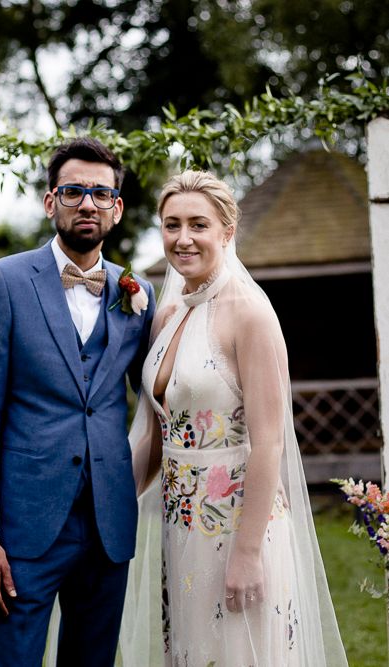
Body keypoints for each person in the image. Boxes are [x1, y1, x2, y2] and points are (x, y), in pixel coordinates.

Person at [122, 170, 348, 666]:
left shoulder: (250, 315)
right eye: (171, 224)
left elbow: (269, 443)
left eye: (198, 225)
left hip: (240, 527)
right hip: (181, 528)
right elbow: (161, 432)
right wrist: (108, 504)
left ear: (228, 231)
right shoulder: (169, 313)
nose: (183, 239)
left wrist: (246, 554)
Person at [0, 137, 156, 667]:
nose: (85, 203)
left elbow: (161, 391)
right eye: (72, 191)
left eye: (99, 193)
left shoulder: (135, 291)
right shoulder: (4, 282)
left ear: (115, 209)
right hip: (24, 530)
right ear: (51, 202)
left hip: (109, 525)